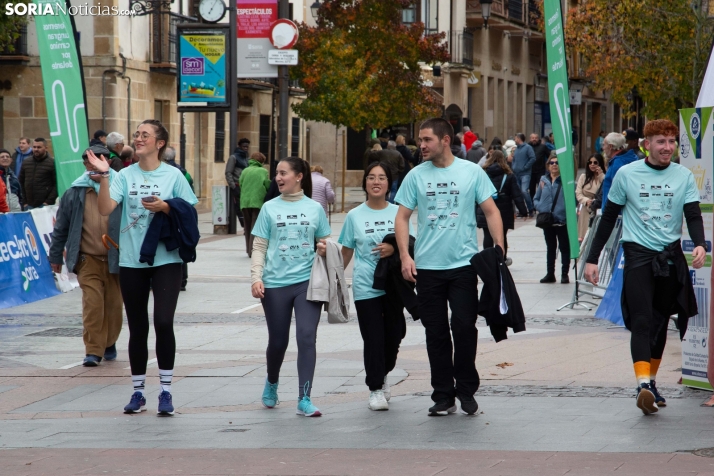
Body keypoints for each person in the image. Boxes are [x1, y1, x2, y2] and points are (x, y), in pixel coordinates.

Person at [584, 119, 705, 415]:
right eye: (660, 141)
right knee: (641, 320)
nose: (667, 147)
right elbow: (609, 217)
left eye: (671, 141)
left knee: (661, 321)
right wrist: (591, 258)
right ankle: (642, 385)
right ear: (646, 144)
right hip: (637, 256)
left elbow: (692, 214)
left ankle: (650, 382)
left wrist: (700, 243)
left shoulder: (683, 176)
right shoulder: (627, 174)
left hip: (670, 257)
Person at [88, 119, 199, 416]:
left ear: (159, 143)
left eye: (144, 135)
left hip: (166, 260)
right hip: (131, 260)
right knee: (138, 327)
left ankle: (166, 391)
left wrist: (165, 207)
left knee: (163, 322)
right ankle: (138, 393)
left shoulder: (173, 175)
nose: (138, 139)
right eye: (136, 135)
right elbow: (105, 209)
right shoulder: (124, 175)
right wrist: (105, 177)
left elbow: (189, 209)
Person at [394, 117, 504, 416]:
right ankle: (443, 394)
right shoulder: (415, 175)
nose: (422, 145)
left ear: (445, 140)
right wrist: (405, 255)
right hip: (428, 268)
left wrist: (499, 247)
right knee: (436, 332)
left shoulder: (471, 172)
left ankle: (466, 388)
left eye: (427, 139)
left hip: (463, 266)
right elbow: (402, 217)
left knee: (464, 327)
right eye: (420, 140)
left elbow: (491, 211)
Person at [250, 157, 331, 417]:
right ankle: (272, 381)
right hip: (274, 284)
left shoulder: (315, 208)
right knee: (278, 341)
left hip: (307, 283)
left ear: (299, 176)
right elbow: (260, 245)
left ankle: (304, 398)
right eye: (277, 173)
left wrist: (323, 247)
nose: (278, 178)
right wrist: (256, 277)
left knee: (307, 337)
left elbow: (325, 240)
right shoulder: (269, 208)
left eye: (283, 173)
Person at [339, 162, 407, 411]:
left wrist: (394, 249)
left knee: (395, 335)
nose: (376, 182)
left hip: (394, 286)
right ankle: (375, 388)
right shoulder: (354, 216)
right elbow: (345, 252)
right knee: (373, 338)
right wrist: (334, 283)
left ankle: (384, 372)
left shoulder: (400, 212)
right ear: (365, 183)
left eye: (381, 177)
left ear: (389, 183)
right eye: (371, 177)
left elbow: (412, 245)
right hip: (366, 286)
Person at [49, 145, 122, 366]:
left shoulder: (121, 187)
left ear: (107, 162)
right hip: (87, 259)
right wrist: (55, 257)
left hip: (116, 259)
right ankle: (93, 350)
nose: (92, 166)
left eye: (96, 161)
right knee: (92, 305)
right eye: (88, 163)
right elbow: (61, 227)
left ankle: (109, 341)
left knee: (114, 306)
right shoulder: (74, 192)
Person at [477, 150, 527, 266]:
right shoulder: (509, 175)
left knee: (487, 236)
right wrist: (524, 211)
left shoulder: (483, 173)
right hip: (504, 210)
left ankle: (488, 261)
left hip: (485, 209)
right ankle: (501, 260)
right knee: (502, 235)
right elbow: (517, 195)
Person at [533, 151, 570, 284]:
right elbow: (536, 198)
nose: (554, 165)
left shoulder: (566, 180)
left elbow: (572, 200)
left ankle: (564, 274)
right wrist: (540, 207)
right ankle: (550, 273)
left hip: (561, 220)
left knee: (564, 247)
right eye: (551, 163)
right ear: (548, 165)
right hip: (547, 220)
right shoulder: (544, 180)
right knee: (550, 247)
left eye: (557, 163)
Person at [164, 146, 193, 291]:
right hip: (181, 214)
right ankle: (182, 280)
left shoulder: (170, 173)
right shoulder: (183, 172)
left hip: (168, 214)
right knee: (180, 246)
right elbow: (190, 191)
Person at [239, 152, 270, 258]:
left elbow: (241, 183)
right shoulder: (263, 171)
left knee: (247, 226)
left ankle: (248, 249)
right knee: (255, 226)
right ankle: (253, 250)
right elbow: (266, 184)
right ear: (261, 161)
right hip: (257, 201)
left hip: (245, 202)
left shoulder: (245, 171)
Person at [601, 132, 639, 208]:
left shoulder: (618, 164)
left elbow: (617, 193)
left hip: (615, 214)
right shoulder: (632, 158)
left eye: (604, 145)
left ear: (611, 146)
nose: (603, 148)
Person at [19, 138, 57, 210]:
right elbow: (20, 182)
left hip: (45, 206)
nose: (36, 149)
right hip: (28, 205)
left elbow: (56, 184)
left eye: (39, 147)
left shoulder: (52, 163)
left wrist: (48, 202)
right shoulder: (26, 162)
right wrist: (24, 202)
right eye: (34, 147)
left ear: (46, 148)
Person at [575, 153, 605, 242]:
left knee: (596, 238)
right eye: (590, 162)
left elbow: (607, 188)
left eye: (595, 162)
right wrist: (586, 200)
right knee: (584, 238)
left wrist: (601, 175)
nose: (592, 164)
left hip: (599, 209)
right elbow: (578, 193)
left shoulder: (604, 176)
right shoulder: (583, 177)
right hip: (586, 209)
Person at [226, 138, 250, 227]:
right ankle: (244, 226)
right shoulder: (234, 157)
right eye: (244, 146)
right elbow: (228, 172)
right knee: (239, 207)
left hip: (246, 186)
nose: (246, 148)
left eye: (247, 146)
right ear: (239, 146)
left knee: (246, 206)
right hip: (237, 185)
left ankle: (246, 226)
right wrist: (233, 186)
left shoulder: (247, 158)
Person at [511, 133, 536, 217]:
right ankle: (522, 210)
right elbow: (514, 159)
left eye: (515, 139)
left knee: (524, 191)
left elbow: (533, 158)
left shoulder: (528, 148)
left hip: (525, 174)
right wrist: (513, 167)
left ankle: (531, 208)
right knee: (518, 193)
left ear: (519, 139)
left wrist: (525, 167)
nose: (514, 140)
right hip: (516, 173)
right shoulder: (516, 149)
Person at [529, 133, 550, 200]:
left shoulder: (543, 147)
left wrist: (548, 165)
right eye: (533, 138)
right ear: (530, 139)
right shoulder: (527, 147)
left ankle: (541, 202)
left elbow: (549, 156)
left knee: (542, 188)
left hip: (540, 171)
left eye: (536, 138)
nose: (534, 139)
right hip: (530, 171)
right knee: (531, 189)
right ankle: (533, 206)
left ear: (538, 139)